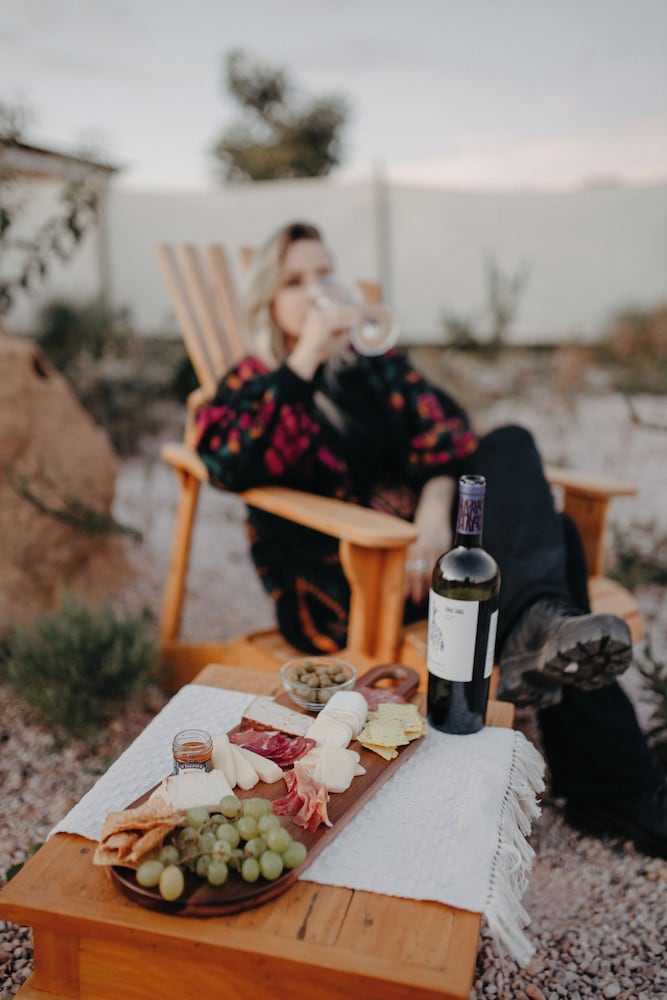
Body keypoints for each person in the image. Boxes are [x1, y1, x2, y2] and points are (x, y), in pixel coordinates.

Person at [196, 220, 667, 859]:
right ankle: (612, 784)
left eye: (325, 273)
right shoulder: (253, 385)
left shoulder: (372, 368)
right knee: (556, 536)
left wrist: (437, 504)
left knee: (511, 442)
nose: (317, 291)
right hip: (351, 581)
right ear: (268, 301)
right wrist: (303, 356)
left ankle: (539, 631)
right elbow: (229, 461)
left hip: (432, 557)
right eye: (294, 281)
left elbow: (450, 432)